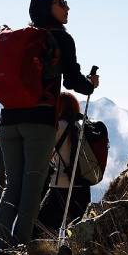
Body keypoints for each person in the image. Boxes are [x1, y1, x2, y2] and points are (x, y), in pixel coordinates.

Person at [0, 0, 98, 250]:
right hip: (39, 121)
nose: (67, 7)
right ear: (48, 8)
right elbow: (74, 81)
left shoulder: (22, 38)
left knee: (12, 186)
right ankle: (20, 252)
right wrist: (91, 83)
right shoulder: (61, 38)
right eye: (61, 3)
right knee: (32, 185)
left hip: (8, 120)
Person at [38, 93, 93, 234]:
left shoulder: (57, 127)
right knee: (77, 228)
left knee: (43, 225)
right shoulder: (83, 125)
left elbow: (44, 154)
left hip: (61, 183)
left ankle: (48, 253)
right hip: (83, 183)